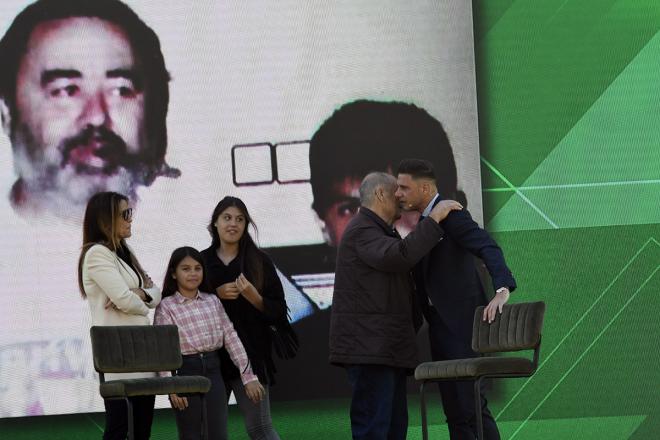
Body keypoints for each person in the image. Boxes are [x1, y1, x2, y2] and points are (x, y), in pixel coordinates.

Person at [0, 0, 179, 218]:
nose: (97, 116)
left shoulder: (188, 219)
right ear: (7, 114)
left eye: (121, 90)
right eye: (67, 90)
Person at [329, 172, 463, 439]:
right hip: (371, 353)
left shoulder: (378, 231)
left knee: (393, 430)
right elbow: (399, 256)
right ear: (380, 194)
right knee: (375, 431)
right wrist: (434, 218)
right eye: (396, 192)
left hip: (383, 350)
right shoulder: (362, 231)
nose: (402, 197)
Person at [395, 158, 517, 440]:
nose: (397, 193)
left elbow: (487, 246)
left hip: (463, 329)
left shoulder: (452, 215)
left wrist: (502, 289)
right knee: (456, 412)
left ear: (424, 189)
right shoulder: (427, 222)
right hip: (440, 330)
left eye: (403, 187)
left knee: (470, 407)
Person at [201, 196, 295, 440]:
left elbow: (279, 311)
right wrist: (215, 294)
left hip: (251, 356)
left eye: (240, 219)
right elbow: (185, 305)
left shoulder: (260, 261)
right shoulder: (200, 262)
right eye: (227, 218)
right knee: (209, 431)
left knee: (260, 429)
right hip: (211, 359)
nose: (233, 224)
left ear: (246, 225)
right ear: (215, 223)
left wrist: (255, 298)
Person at [154, 246, 265, 440]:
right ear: (173, 273)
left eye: (198, 268)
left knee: (218, 434)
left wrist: (248, 377)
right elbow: (163, 350)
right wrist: (170, 386)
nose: (193, 273)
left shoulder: (212, 300)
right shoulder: (166, 307)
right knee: (191, 435)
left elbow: (230, 337)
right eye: (185, 269)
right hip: (184, 373)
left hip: (214, 372)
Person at [77, 191, 161, 440]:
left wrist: (141, 295)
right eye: (125, 214)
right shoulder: (96, 254)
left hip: (142, 357)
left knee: (142, 431)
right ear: (106, 220)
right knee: (119, 429)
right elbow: (125, 301)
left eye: (130, 212)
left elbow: (155, 292)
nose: (130, 219)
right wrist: (142, 297)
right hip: (119, 359)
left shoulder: (125, 251)